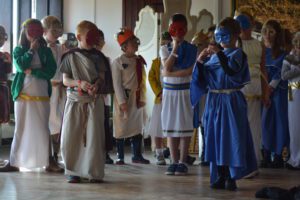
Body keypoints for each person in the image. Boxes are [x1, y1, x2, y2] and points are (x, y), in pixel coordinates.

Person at [190, 17, 257, 190]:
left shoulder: (238, 54)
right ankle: (219, 174)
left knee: (230, 139)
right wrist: (199, 62)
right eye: (220, 36)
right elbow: (203, 80)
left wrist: (219, 53)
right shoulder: (212, 57)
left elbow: (232, 71)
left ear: (236, 35)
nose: (222, 40)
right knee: (214, 138)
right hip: (214, 101)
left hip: (231, 101)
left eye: (226, 36)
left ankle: (231, 176)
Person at [60, 20, 113, 183]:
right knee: (71, 136)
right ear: (79, 37)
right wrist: (79, 83)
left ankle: (93, 172)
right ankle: (72, 170)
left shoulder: (99, 57)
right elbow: (65, 80)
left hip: (93, 100)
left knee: (94, 138)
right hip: (75, 100)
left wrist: (96, 85)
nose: (93, 40)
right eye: (90, 36)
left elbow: (102, 79)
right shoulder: (70, 56)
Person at [0, 19, 56, 171]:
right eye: (31, 31)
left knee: (43, 126)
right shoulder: (19, 49)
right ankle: (14, 162)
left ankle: (49, 161)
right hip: (23, 95)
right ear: (24, 32)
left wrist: (34, 72)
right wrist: (31, 50)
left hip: (42, 93)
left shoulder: (46, 51)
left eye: (37, 31)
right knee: (21, 127)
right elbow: (20, 66)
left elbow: (50, 71)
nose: (34, 34)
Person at [160, 14, 197, 175]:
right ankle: (173, 161)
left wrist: (169, 73)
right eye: (174, 28)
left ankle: (183, 161)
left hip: (185, 91)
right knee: (171, 126)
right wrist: (174, 48)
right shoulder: (164, 48)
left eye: (181, 28)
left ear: (186, 29)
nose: (177, 32)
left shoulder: (192, 49)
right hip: (169, 93)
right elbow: (167, 67)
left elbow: (190, 71)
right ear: (169, 28)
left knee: (184, 126)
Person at [235, 14, 269, 174]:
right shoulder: (240, 44)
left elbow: (263, 70)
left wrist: (266, 92)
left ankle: (250, 162)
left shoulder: (254, 44)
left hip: (250, 86)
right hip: (247, 86)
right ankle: (246, 161)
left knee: (250, 125)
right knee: (246, 125)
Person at [111, 28, 149, 165]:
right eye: (132, 43)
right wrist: (122, 101)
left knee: (137, 126)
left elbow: (143, 81)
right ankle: (120, 155)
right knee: (121, 126)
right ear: (124, 46)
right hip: (124, 96)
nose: (135, 45)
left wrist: (143, 97)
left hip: (137, 96)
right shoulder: (117, 62)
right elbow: (116, 84)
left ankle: (136, 155)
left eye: (136, 42)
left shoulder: (139, 61)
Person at [261, 20, 289, 169]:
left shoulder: (282, 54)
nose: (268, 35)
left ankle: (278, 155)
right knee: (264, 122)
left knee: (278, 122)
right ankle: (265, 153)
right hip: (262, 91)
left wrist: (270, 89)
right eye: (266, 31)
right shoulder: (260, 52)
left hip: (277, 92)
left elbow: (279, 74)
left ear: (277, 34)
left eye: (271, 32)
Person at [41, 15, 65, 173]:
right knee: (48, 122)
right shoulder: (41, 47)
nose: (57, 33)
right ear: (44, 31)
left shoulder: (60, 47)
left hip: (60, 88)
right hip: (46, 89)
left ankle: (55, 154)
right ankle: (46, 156)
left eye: (58, 30)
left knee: (59, 120)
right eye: (53, 30)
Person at [148, 31, 172, 165]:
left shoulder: (176, 60)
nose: (164, 46)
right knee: (157, 127)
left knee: (171, 127)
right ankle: (159, 153)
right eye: (162, 44)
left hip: (173, 97)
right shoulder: (156, 62)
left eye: (167, 43)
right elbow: (151, 78)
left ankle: (172, 152)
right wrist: (158, 92)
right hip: (160, 98)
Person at [281, 32, 300, 170]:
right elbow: (284, 76)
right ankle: (295, 158)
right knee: (295, 126)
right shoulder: (289, 58)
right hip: (294, 92)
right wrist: (297, 69)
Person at [95, 29, 114, 165]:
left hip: (103, 97)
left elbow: (108, 80)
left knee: (104, 126)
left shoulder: (106, 59)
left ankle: (105, 152)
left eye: (100, 40)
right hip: (89, 96)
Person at [0, 25, 12, 125]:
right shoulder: (5, 55)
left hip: (2, 88)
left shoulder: (5, 55)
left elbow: (8, 71)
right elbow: (8, 71)